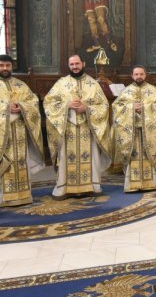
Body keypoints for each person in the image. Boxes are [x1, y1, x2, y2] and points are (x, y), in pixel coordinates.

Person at [0, 55, 45, 208]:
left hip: (19, 133)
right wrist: (5, 108)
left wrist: (23, 107)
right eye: (1, 65)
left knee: (20, 164)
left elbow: (33, 102)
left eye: (8, 65)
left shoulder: (21, 85)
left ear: (12, 67)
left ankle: (23, 195)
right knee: (1, 165)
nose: (5, 68)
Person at [44, 54, 113, 197]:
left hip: (87, 128)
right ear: (69, 66)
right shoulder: (61, 84)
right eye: (72, 65)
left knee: (91, 157)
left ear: (83, 63)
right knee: (65, 158)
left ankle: (92, 187)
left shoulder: (93, 84)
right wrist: (66, 105)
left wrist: (87, 108)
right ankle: (64, 188)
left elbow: (103, 106)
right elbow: (49, 103)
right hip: (67, 128)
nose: (75, 67)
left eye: (77, 64)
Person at [112, 66, 156, 192]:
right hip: (132, 132)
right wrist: (131, 107)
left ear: (145, 75)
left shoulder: (152, 90)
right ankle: (132, 185)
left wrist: (145, 108)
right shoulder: (126, 91)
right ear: (132, 76)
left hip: (148, 131)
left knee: (148, 155)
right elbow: (116, 107)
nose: (139, 76)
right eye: (136, 74)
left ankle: (151, 183)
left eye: (141, 74)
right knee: (133, 156)